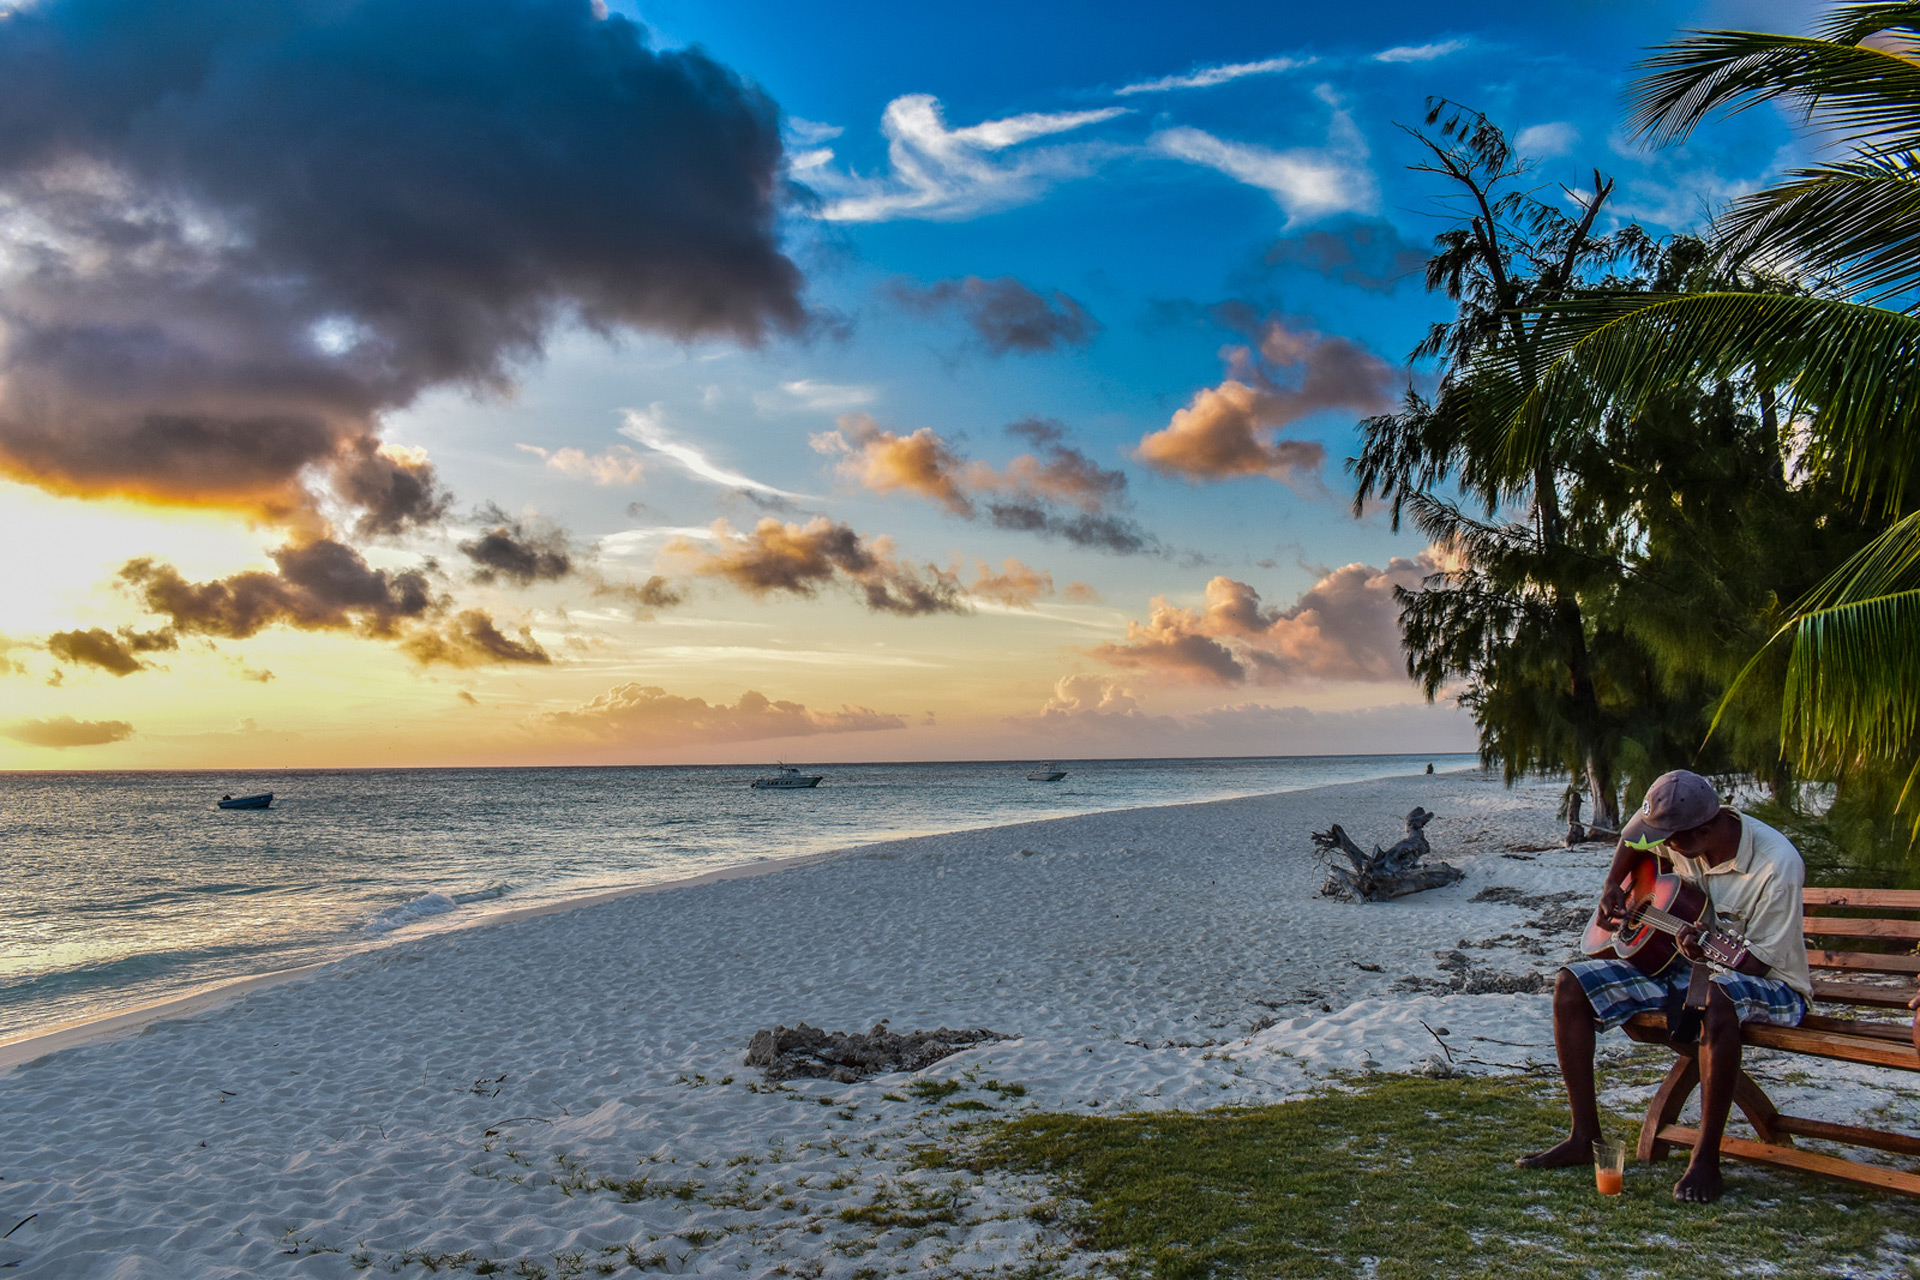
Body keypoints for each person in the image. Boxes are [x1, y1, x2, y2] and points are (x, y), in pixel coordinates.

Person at [1517, 769, 1811, 1203]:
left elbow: (1756, 964)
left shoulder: (1776, 867)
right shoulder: (1679, 826)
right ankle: (1583, 1137)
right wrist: (1613, 886)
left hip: (1772, 982)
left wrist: (1707, 952)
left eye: (1671, 839)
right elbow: (1634, 838)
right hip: (1689, 964)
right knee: (1570, 985)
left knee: (1716, 999)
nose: (1662, 845)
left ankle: (1706, 1159)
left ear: (1706, 830)